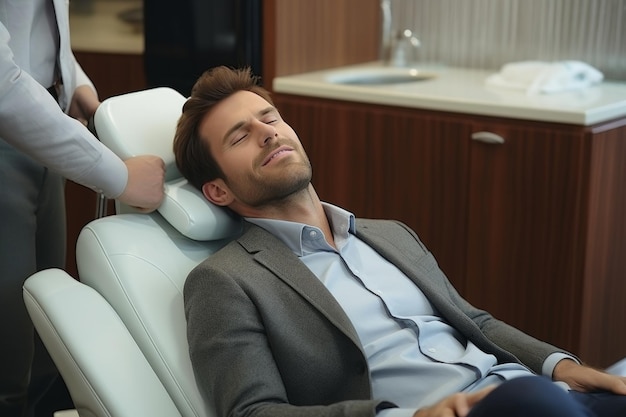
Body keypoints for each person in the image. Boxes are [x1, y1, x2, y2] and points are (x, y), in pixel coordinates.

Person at [174, 66, 626, 417]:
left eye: (269, 118)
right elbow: (252, 411)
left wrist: (562, 367)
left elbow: (475, 323)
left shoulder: (390, 234)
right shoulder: (224, 281)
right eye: (240, 136)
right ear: (218, 191)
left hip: (536, 394)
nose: (267, 132)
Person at [0, 2, 165, 416]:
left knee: (44, 343)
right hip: (11, 134)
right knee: (8, 359)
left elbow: (39, 35)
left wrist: (74, 86)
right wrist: (119, 178)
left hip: (43, 130)